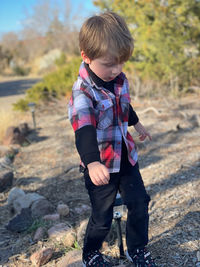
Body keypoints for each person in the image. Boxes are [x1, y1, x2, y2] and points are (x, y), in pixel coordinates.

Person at [68, 11, 157, 267]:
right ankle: (91, 254)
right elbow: (83, 128)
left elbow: (124, 105)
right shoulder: (82, 93)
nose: (117, 70)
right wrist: (92, 162)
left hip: (126, 157)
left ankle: (137, 249)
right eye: (109, 64)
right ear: (86, 56)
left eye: (121, 63)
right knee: (102, 215)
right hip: (101, 165)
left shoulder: (118, 79)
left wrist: (137, 124)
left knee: (139, 203)